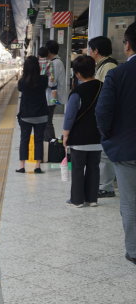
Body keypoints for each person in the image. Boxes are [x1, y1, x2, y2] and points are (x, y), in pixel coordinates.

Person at [95, 22, 136, 265]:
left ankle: (134, 250)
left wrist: (109, 137)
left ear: (128, 45)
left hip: (126, 150)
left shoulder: (117, 74)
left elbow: (103, 113)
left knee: (130, 202)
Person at [62, 55, 103, 208]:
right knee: (94, 168)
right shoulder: (103, 87)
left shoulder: (77, 92)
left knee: (78, 169)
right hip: (98, 137)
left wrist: (65, 135)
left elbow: (70, 116)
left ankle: (77, 200)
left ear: (77, 73)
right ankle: (92, 199)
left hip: (79, 139)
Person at [87, 36, 119, 199]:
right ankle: (106, 183)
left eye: (90, 49)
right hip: (104, 115)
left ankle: (107, 187)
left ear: (96, 51)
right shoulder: (103, 66)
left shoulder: (108, 67)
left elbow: (105, 95)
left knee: (105, 153)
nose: (88, 52)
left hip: (107, 116)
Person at [16, 56, 48, 173]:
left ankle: (21, 166)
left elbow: (20, 89)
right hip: (41, 115)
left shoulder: (22, 82)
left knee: (24, 140)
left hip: (26, 116)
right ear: (38, 67)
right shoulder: (44, 79)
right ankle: (37, 166)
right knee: (38, 140)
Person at [44, 40, 67, 144]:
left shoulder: (54, 63)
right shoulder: (56, 62)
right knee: (47, 121)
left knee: (47, 122)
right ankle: (49, 143)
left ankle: (51, 144)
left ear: (49, 51)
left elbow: (51, 83)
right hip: (51, 97)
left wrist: (42, 81)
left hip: (50, 98)